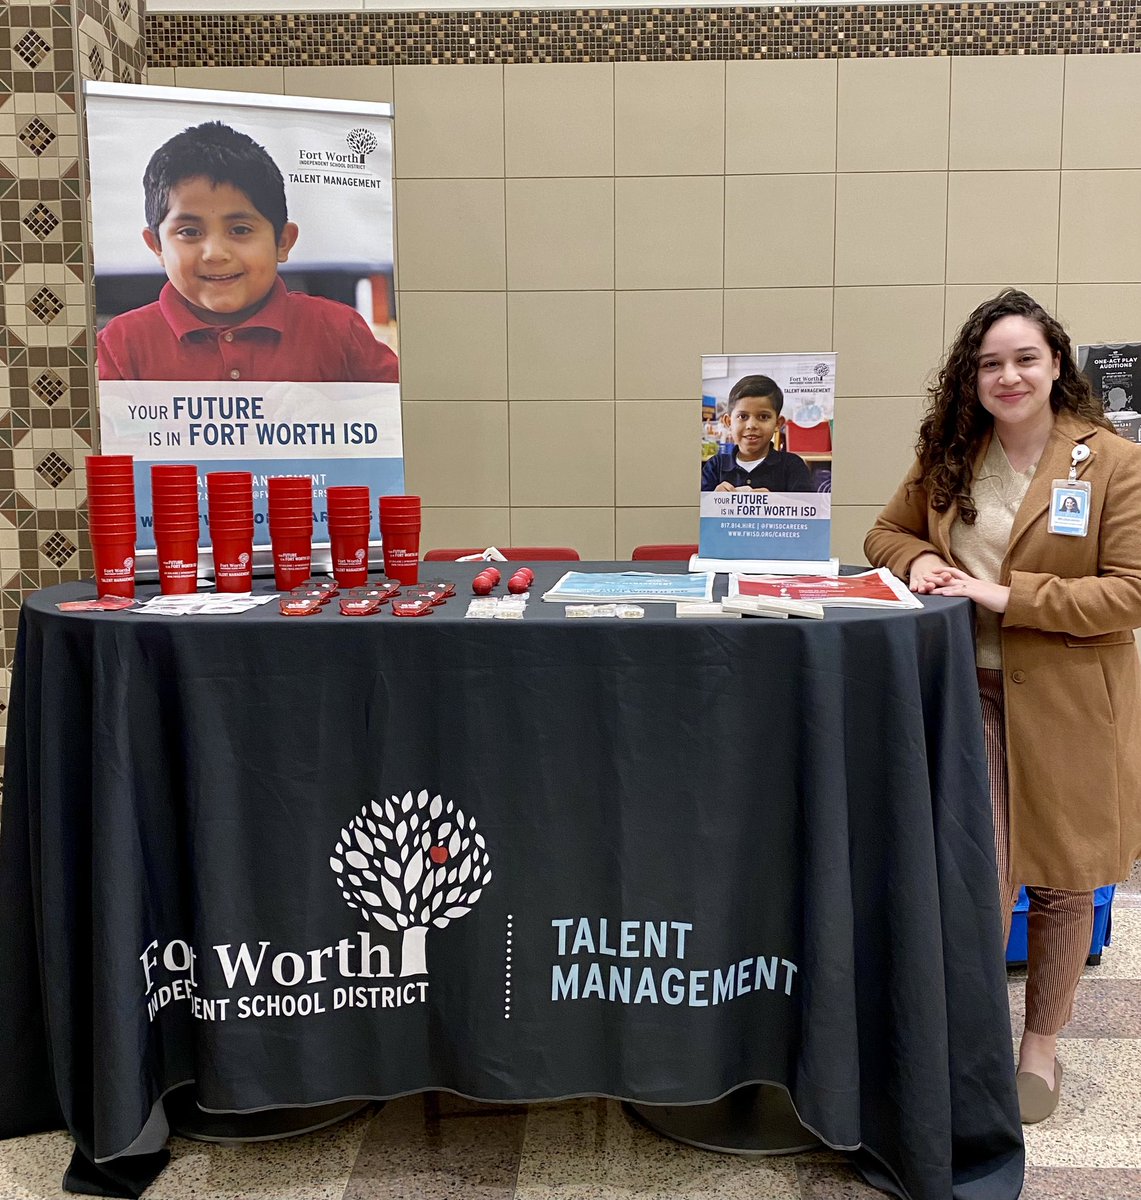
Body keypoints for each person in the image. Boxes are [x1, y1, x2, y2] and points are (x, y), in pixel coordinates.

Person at [864, 289, 1141, 1124]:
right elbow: (883, 534)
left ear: (1056, 363)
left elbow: (1126, 595)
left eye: (1024, 358)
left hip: (1071, 703)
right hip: (968, 696)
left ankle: (1040, 1047)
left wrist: (999, 593)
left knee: (1063, 880)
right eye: (989, 363)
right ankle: (967, 1038)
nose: (1007, 375)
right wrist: (916, 561)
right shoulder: (950, 453)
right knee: (975, 876)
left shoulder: (1111, 462)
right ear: (970, 379)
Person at [96, 121, 399, 384]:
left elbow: (397, 415)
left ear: (283, 241)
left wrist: (335, 410)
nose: (215, 253)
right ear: (157, 246)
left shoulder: (338, 330)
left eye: (240, 230)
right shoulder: (120, 345)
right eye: (189, 232)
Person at [700, 375, 812, 492]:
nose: (751, 425)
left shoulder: (792, 466)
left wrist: (776, 502)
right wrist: (712, 499)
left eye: (763, 417)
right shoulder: (715, 466)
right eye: (742, 416)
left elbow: (809, 508)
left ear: (778, 423)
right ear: (729, 422)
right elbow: (696, 507)